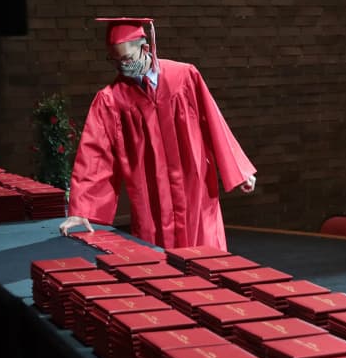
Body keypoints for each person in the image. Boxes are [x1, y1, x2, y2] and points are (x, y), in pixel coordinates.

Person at [59, 17, 256, 250]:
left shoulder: (184, 77)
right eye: (115, 60)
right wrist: (82, 209)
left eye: (127, 58)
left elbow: (213, 121)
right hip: (151, 198)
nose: (122, 66)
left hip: (194, 188)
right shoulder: (111, 100)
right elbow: (96, 156)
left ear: (145, 47)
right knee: (158, 264)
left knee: (206, 255)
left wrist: (239, 171)